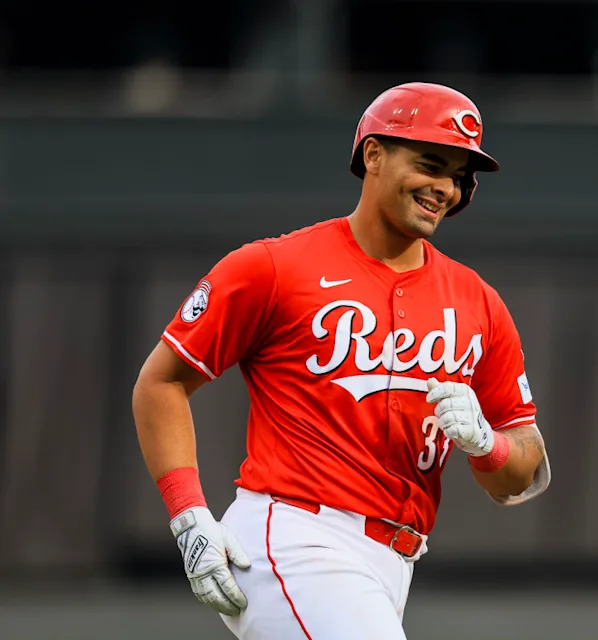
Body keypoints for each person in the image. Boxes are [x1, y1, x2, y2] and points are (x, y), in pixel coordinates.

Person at [131, 81, 552, 639]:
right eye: (430, 164)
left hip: (392, 564)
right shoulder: (274, 267)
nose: (445, 187)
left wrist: (486, 443)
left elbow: (519, 474)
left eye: (458, 175)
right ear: (373, 154)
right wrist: (189, 517)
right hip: (295, 539)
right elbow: (161, 381)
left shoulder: (478, 302)